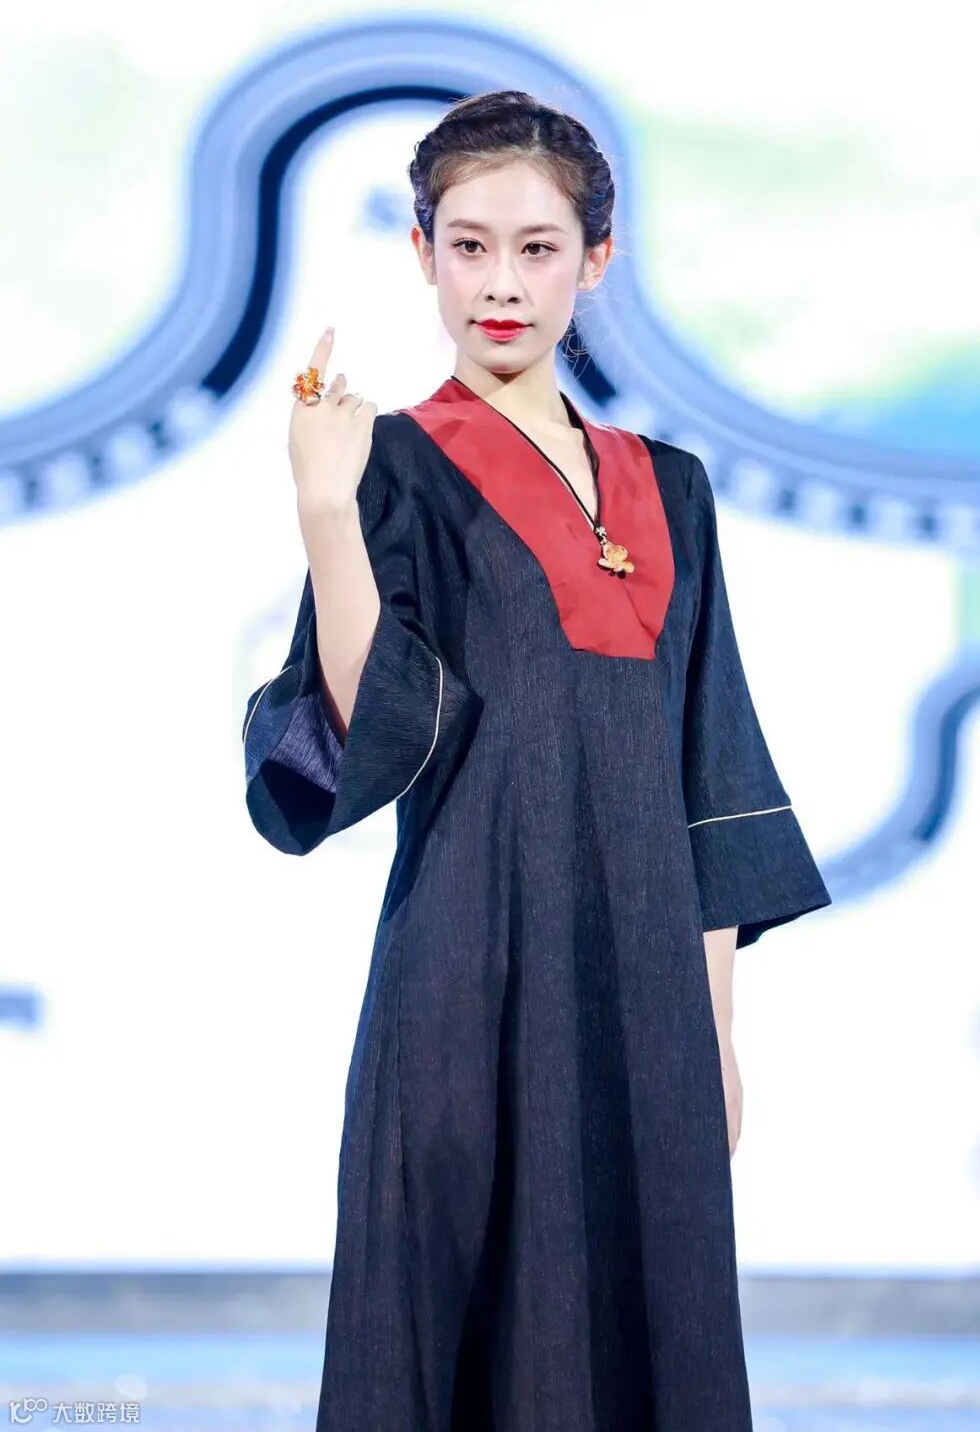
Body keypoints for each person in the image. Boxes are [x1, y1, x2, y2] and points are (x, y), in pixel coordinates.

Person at [241, 89, 832, 1431]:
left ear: (596, 261)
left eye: (537, 248)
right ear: (423, 253)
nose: (501, 283)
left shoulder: (670, 487)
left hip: (647, 999)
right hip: (468, 974)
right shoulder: (395, 464)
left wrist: (715, 1034)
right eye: (469, 246)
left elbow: (711, 767)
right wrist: (327, 509)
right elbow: (367, 734)